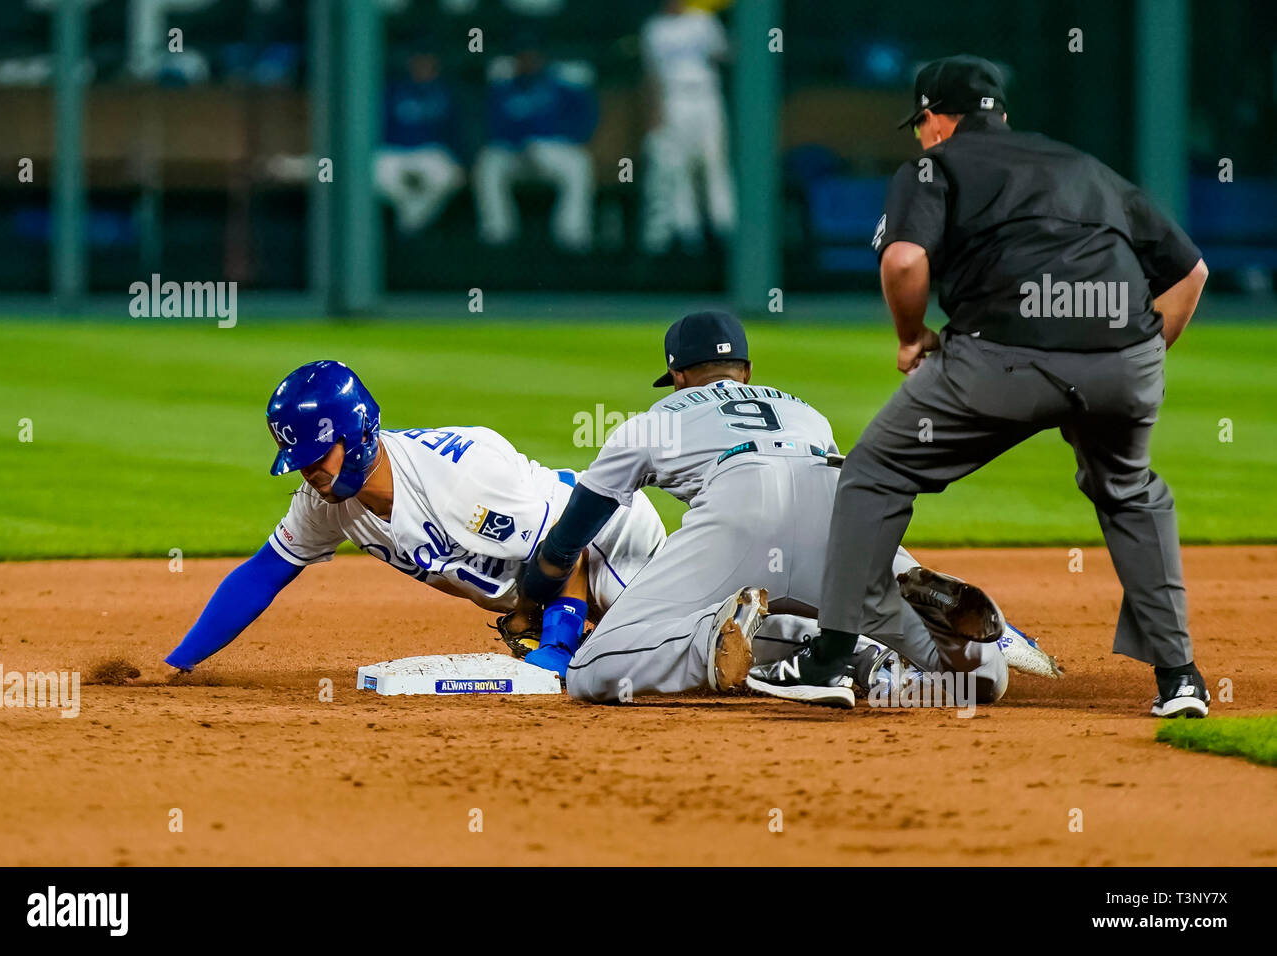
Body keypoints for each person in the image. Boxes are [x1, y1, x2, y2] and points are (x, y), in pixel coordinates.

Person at [748, 55, 1211, 717]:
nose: (919, 136)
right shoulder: (1082, 166)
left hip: (1004, 354)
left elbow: (905, 259)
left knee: (875, 471)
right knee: (1131, 493)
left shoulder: (934, 167)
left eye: (921, 123)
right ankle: (1181, 680)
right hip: (1123, 352)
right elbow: (1189, 273)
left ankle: (829, 661)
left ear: (939, 118)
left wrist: (911, 337)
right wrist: (1134, 357)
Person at [518, 311, 1055, 704]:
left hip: (742, 502)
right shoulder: (803, 410)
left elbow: (568, 541)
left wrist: (539, 586)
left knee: (591, 669)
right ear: (746, 371)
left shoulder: (653, 418)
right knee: (973, 684)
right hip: (840, 503)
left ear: (678, 377)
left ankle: (710, 637)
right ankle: (946, 638)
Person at [164, 361, 664, 675]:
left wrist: (556, 646)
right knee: (616, 665)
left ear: (357, 434)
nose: (310, 473)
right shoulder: (327, 505)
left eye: (319, 456)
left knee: (664, 657)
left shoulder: (460, 474)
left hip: (608, 538)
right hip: (551, 571)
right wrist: (180, 663)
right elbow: (262, 574)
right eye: (300, 462)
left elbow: (563, 546)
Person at [473, 39, 599, 253]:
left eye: (532, 56)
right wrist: (518, 142)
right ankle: (498, 234)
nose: (528, 61)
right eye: (522, 57)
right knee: (488, 163)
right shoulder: (503, 87)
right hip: (513, 154)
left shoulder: (561, 84)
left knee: (580, 163)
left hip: (551, 150)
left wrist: (561, 138)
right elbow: (491, 126)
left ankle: (572, 235)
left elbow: (586, 119)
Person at [639, 0, 736, 254]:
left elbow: (726, 55)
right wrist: (655, 113)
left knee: (714, 161)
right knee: (679, 167)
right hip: (674, 98)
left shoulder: (703, 20)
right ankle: (687, 231)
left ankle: (724, 226)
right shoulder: (653, 28)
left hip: (706, 95)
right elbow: (652, 75)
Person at [374, 49, 465, 235]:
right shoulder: (393, 89)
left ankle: (409, 224)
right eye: (418, 62)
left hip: (430, 152)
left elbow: (457, 130)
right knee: (377, 177)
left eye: (427, 62)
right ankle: (412, 221)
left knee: (448, 177)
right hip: (394, 151)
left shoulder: (445, 91)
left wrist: (463, 159)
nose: (422, 67)